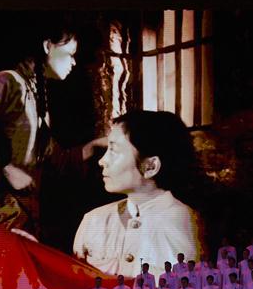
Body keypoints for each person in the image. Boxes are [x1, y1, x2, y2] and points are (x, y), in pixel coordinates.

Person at [0, 21, 104, 234]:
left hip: (24, 212)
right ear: (48, 46)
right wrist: (6, 168)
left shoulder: (38, 97)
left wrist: (96, 145)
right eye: (69, 54)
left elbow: (55, 159)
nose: (74, 62)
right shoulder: (5, 82)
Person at [73, 110, 202, 278]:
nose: (102, 161)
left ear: (150, 166)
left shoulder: (187, 225)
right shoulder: (94, 220)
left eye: (114, 151)